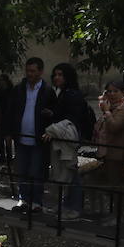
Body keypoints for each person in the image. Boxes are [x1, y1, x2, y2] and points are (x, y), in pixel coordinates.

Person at [9, 57, 55, 211]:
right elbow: (12, 111)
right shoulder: (19, 89)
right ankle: (23, 199)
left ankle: (36, 201)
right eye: (27, 71)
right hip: (21, 137)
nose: (29, 74)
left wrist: (50, 115)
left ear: (40, 72)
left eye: (33, 71)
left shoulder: (47, 91)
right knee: (22, 169)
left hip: (38, 138)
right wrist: (10, 132)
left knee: (36, 170)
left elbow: (55, 114)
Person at [47, 63, 90, 217]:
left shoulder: (72, 94)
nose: (57, 78)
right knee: (64, 173)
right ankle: (66, 204)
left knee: (71, 172)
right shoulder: (63, 92)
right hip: (62, 136)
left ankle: (75, 207)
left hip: (68, 136)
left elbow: (72, 118)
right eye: (55, 75)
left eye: (60, 75)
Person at [93, 81, 124, 224]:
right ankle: (117, 214)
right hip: (110, 150)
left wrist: (106, 111)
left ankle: (119, 216)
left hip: (120, 151)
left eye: (115, 91)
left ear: (123, 93)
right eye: (109, 91)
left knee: (117, 184)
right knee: (114, 183)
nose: (112, 94)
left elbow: (114, 127)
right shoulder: (112, 107)